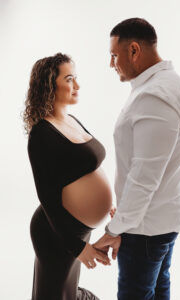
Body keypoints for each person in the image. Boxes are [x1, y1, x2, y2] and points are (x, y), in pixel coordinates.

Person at [93, 18, 180, 300]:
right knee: (158, 289)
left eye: (114, 55)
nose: (111, 64)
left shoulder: (156, 95)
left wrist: (116, 228)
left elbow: (144, 177)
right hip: (154, 223)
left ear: (134, 50)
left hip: (146, 231)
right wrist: (124, 215)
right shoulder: (165, 85)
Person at [23, 52, 113, 300]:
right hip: (55, 232)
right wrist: (77, 246)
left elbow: (81, 172)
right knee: (54, 294)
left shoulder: (72, 120)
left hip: (77, 230)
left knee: (66, 292)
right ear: (50, 85)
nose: (77, 85)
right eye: (70, 79)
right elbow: (48, 197)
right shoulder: (42, 132)